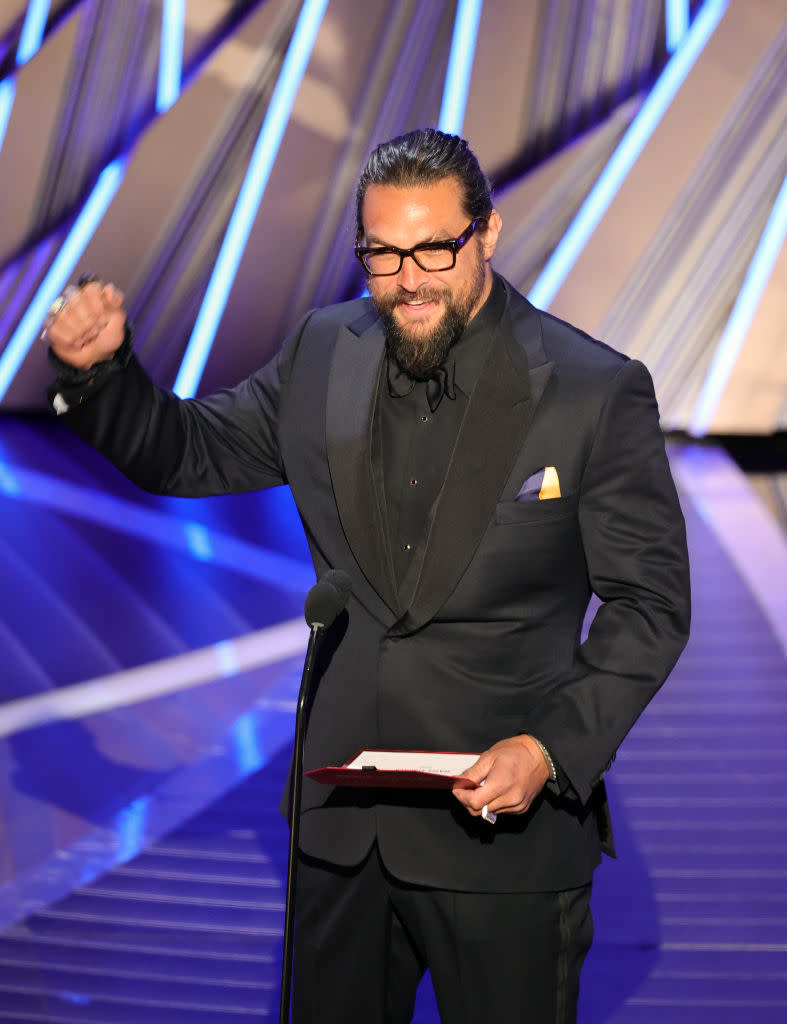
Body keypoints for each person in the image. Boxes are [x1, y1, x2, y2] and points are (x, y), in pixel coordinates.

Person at [44, 128, 690, 1024]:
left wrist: (549, 749)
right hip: (340, 834)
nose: (408, 277)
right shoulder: (322, 349)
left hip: (502, 835)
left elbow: (649, 605)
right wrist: (102, 374)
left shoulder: (590, 389)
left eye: (434, 248)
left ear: (487, 234)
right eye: (382, 254)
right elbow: (190, 454)